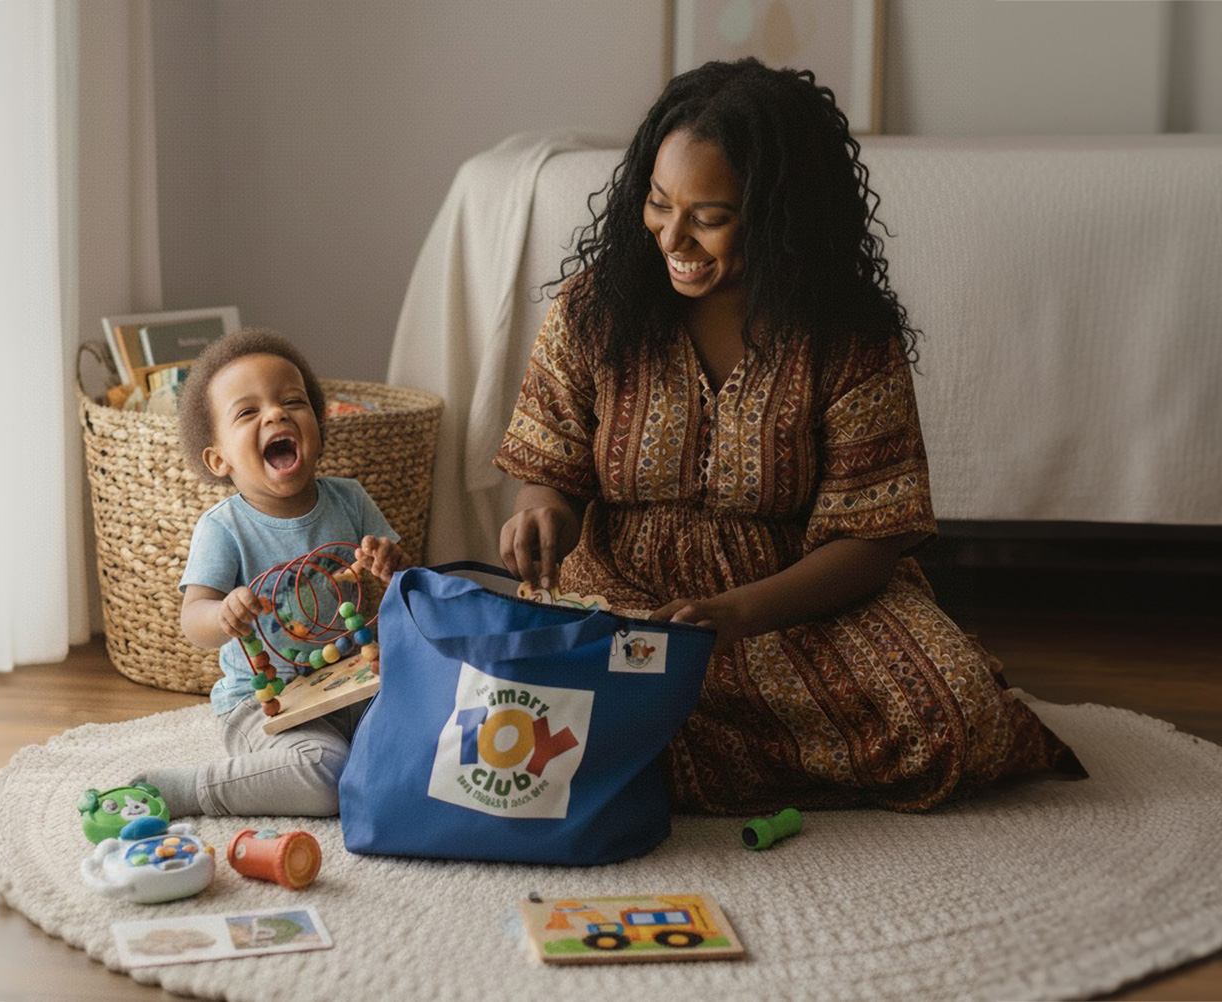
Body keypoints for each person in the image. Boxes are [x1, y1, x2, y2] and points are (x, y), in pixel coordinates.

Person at [494, 58, 1083, 815]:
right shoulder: (595, 311)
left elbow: (870, 540)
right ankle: (687, 748)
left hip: (797, 606)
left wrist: (736, 614)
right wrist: (544, 510)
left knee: (955, 714)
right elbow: (550, 466)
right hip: (624, 594)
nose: (671, 235)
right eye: (657, 202)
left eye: (708, 217)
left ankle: (660, 758)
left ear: (779, 216)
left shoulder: (847, 337)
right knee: (574, 682)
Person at [139, 329, 408, 818]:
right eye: (247, 412)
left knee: (426, 726)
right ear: (219, 459)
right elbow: (193, 619)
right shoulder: (225, 528)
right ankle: (196, 789)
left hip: (351, 682)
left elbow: (406, 583)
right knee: (324, 773)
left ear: (318, 428)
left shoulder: (348, 499)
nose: (276, 414)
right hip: (266, 703)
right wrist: (224, 611)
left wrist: (389, 564)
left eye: (292, 401)